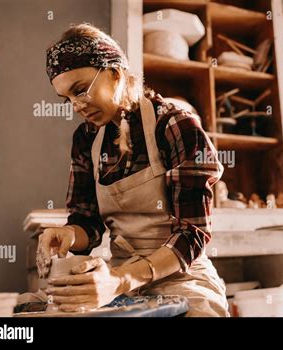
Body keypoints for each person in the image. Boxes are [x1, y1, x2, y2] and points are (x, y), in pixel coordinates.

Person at [37, 23, 229, 317]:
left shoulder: (176, 126)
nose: (76, 105)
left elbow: (192, 234)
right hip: (120, 282)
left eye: (80, 90)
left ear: (114, 72)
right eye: (68, 99)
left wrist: (120, 280)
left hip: (183, 278)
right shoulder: (87, 139)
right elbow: (88, 222)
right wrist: (68, 235)